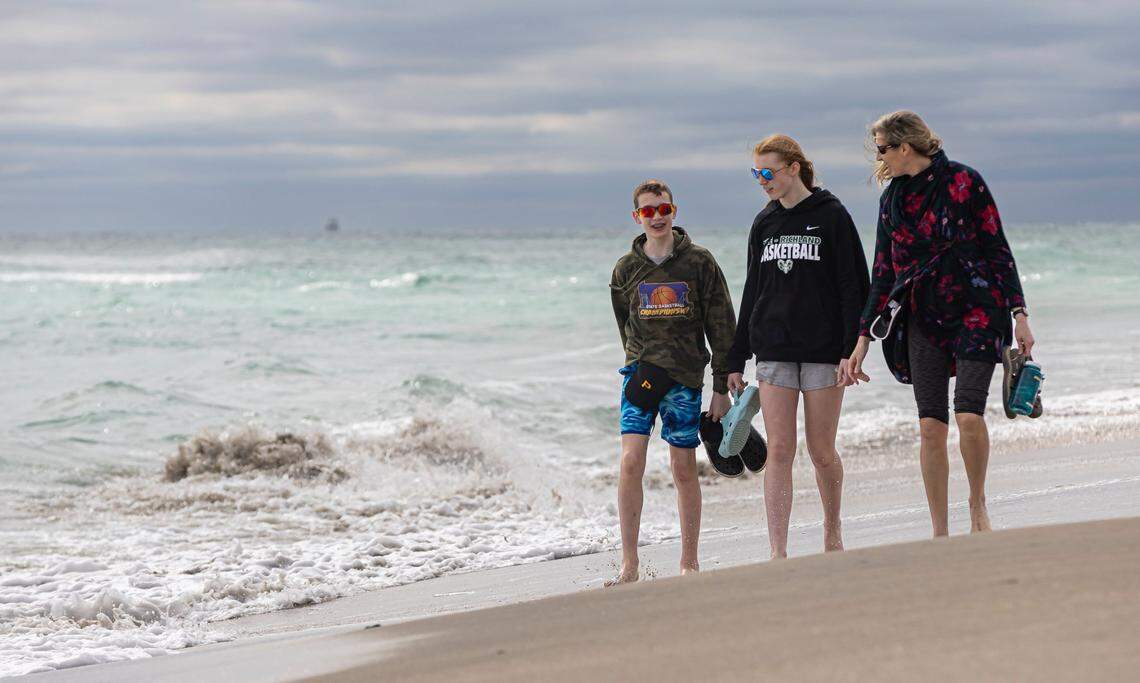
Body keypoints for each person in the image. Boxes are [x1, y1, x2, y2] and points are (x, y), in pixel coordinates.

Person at [846, 110, 1036, 537]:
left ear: (904, 147)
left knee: (969, 414)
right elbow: (883, 273)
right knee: (931, 427)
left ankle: (977, 506)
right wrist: (861, 339)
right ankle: (939, 531)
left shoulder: (965, 182)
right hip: (921, 315)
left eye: (882, 148)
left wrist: (1019, 314)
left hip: (977, 308)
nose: (880, 158)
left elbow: (997, 248)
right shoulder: (891, 200)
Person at [726, 135, 870, 559]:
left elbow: (853, 286)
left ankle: (832, 532)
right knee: (780, 451)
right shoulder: (764, 223)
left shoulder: (831, 215)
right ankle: (778, 551)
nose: (762, 181)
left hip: (826, 353)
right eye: (756, 174)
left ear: (793, 168)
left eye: (768, 173)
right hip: (774, 350)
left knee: (822, 450)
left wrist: (852, 349)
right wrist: (736, 357)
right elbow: (753, 290)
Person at [608, 179, 736, 584]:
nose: (657, 217)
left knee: (683, 468)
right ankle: (630, 564)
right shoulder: (626, 269)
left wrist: (721, 387)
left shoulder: (699, 262)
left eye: (663, 209)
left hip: (684, 379)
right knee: (630, 463)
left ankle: (689, 562)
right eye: (649, 211)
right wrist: (636, 360)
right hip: (641, 377)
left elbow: (722, 326)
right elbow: (623, 323)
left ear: (674, 211)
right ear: (637, 217)